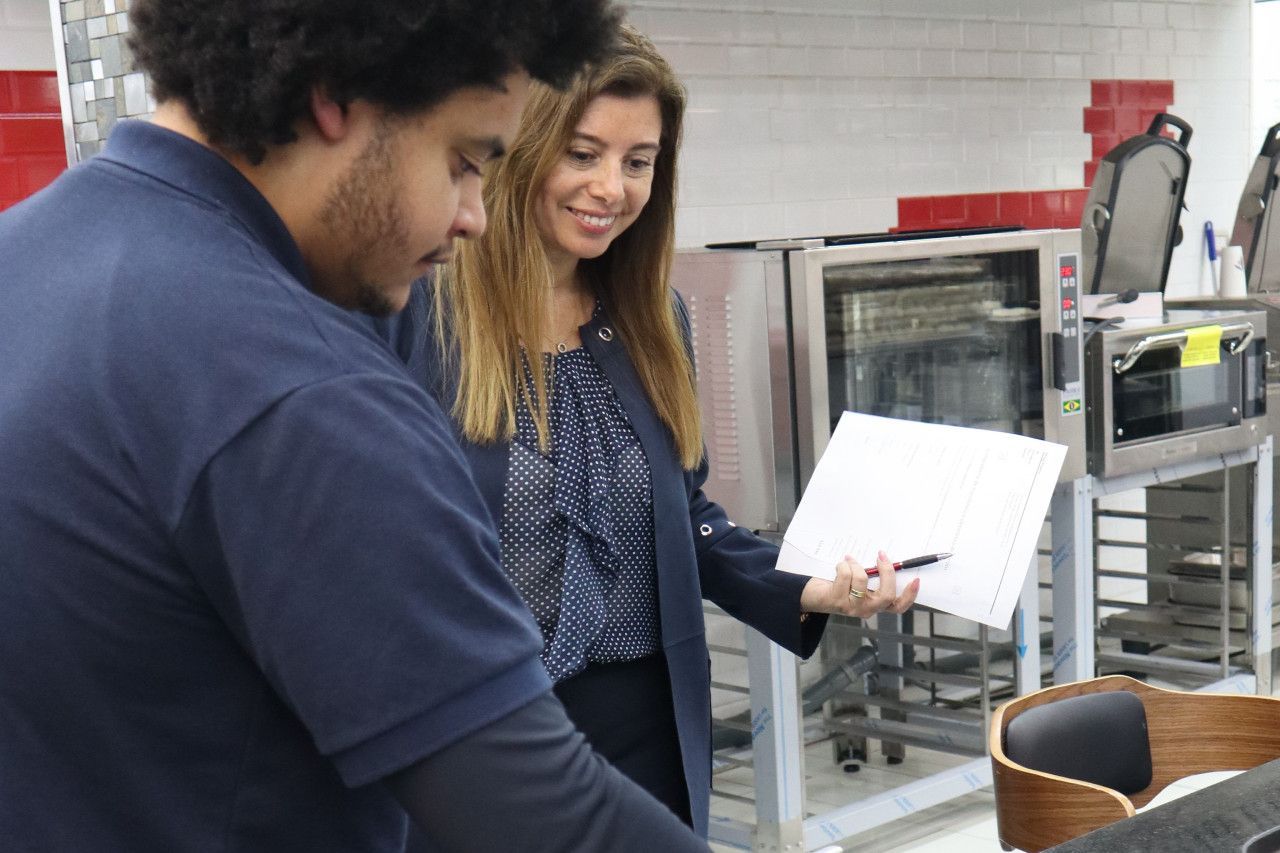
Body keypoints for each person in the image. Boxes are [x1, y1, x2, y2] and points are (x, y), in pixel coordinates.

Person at [0, 3, 711, 851]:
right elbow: (541, 813)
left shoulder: (28, 254)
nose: (474, 215)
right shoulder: (300, 386)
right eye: (462, 160)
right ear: (336, 98)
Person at [382, 26, 920, 837]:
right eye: (584, 153)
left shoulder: (653, 320)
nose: (611, 187)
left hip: (649, 731)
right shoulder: (422, 317)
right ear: (524, 149)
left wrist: (812, 586)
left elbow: (686, 517)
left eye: (639, 162)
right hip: (488, 734)